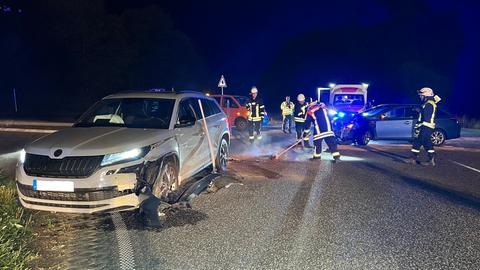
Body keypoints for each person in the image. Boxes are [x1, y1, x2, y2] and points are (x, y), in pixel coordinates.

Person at [408, 87, 441, 166]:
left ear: (426, 95)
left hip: (425, 126)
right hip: (428, 127)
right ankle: (431, 161)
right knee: (427, 143)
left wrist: (420, 124)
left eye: (421, 95)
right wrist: (419, 110)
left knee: (418, 141)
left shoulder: (429, 104)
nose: (420, 96)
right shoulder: (428, 103)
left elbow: (426, 117)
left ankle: (413, 159)